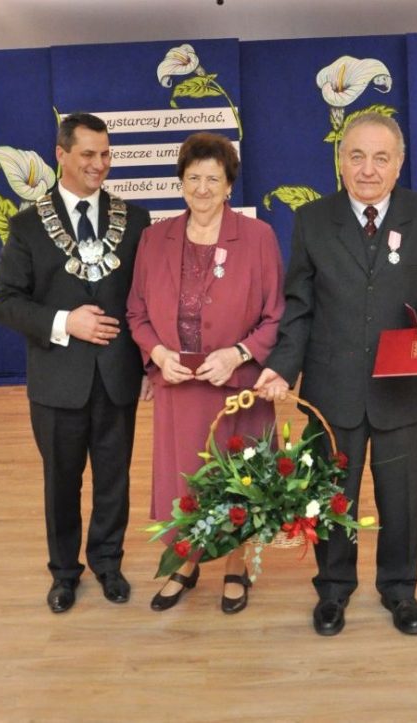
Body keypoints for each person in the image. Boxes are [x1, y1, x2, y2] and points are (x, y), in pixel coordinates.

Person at [255, 113, 417, 636]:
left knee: (401, 499)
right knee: (331, 495)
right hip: (331, 388)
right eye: (357, 156)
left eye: (380, 158)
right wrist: (282, 369)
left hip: (401, 387)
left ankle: (400, 590)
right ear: (341, 161)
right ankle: (333, 589)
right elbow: (299, 306)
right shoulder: (312, 220)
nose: (368, 169)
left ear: (399, 164)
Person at [0, 112, 152, 613]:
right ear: (61, 155)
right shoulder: (26, 226)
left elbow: (145, 300)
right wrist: (66, 321)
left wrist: (151, 361)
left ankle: (108, 563)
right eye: (87, 154)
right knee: (61, 483)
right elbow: (6, 303)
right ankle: (64, 573)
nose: (98, 164)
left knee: (114, 480)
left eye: (105, 154)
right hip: (57, 381)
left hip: (117, 377)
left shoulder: (136, 220)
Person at [126, 132, 285, 614]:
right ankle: (185, 563)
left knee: (240, 477)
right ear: (180, 182)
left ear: (229, 185)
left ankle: (236, 566)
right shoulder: (154, 239)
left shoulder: (258, 237)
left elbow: (275, 315)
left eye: (213, 179)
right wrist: (156, 353)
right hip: (179, 386)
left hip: (237, 386)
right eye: (193, 177)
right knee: (184, 480)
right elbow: (136, 312)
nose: (202, 188)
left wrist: (238, 353)